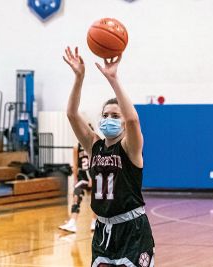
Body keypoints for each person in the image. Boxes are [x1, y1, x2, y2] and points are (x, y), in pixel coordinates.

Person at [64, 47, 155, 266]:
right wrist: (79, 77)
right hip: (103, 230)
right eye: (105, 115)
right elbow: (71, 114)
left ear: (123, 122)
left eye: (115, 116)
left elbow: (133, 121)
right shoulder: (94, 145)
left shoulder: (129, 147)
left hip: (132, 229)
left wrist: (113, 78)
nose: (108, 119)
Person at [59, 135, 97, 233]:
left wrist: (93, 178)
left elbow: (97, 164)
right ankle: (72, 222)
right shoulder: (77, 147)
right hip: (82, 176)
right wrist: (75, 179)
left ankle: (95, 221)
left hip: (94, 176)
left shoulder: (96, 146)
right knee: (76, 195)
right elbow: (75, 164)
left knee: (96, 197)